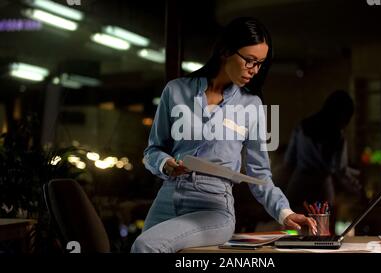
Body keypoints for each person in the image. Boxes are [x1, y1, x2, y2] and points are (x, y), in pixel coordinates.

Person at [130, 17, 317, 253]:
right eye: (249, 60)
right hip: (168, 197)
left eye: (259, 63)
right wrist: (165, 163)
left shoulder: (252, 105)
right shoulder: (176, 91)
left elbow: (259, 173)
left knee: (147, 245)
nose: (254, 70)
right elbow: (152, 150)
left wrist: (285, 212)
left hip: (213, 206)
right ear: (225, 51)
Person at [283, 90, 362, 218]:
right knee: (321, 229)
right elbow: (340, 171)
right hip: (321, 189)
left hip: (298, 185)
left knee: (293, 229)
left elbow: (288, 161)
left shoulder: (302, 127)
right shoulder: (337, 136)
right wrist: (358, 189)